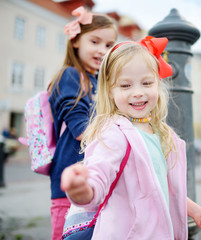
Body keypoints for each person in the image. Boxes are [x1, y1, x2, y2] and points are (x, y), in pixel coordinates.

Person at [60, 36, 201, 239]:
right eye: (125, 86)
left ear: (157, 85)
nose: (137, 92)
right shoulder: (113, 133)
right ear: (110, 91)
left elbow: (163, 188)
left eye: (146, 83)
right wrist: (81, 189)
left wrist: (193, 209)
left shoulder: (163, 134)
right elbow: (97, 178)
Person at [47, 6, 117, 240]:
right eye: (95, 41)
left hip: (94, 180)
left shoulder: (97, 80)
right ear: (76, 40)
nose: (102, 50)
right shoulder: (70, 75)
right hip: (71, 179)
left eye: (109, 46)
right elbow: (80, 130)